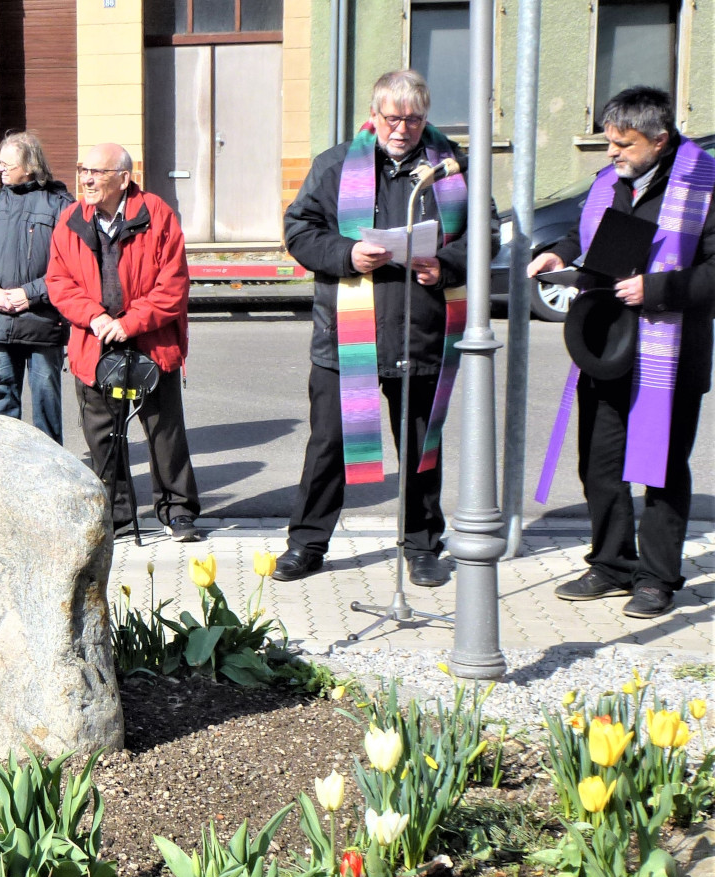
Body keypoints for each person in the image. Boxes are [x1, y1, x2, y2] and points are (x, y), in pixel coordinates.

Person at [276, 69, 496, 584]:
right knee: (328, 444)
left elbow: (486, 234)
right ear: (373, 117)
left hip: (420, 331)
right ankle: (306, 543)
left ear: (426, 117)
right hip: (346, 337)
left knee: (421, 446)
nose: (403, 129)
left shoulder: (452, 169)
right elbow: (299, 230)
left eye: (414, 119)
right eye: (393, 118)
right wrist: (348, 253)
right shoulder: (335, 166)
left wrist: (446, 266)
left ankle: (421, 545)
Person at [528, 86, 715, 619]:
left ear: (659, 140)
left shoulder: (705, 184)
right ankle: (612, 564)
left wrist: (656, 291)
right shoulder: (611, 180)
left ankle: (657, 579)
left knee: (660, 468)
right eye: (608, 141)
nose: (611, 153)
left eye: (623, 144)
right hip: (606, 343)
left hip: (671, 352)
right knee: (601, 464)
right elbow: (580, 232)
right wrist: (555, 253)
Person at [46, 143, 201, 541]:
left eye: (96, 172)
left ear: (123, 178)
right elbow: (59, 282)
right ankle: (116, 513)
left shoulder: (158, 215)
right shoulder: (70, 219)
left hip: (150, 341)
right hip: (93, 341)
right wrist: (95, 317)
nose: (86, 179)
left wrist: (130, 323)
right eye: (84, 170)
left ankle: (177, 510)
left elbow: (173, 285)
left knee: (163, 430)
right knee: (101, 433)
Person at [0, 132, 74, 442]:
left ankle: (50, 468)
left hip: (41, 319)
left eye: (5, 164)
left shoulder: (61, 204)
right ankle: (5, 466)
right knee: (3, 397)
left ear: (28, 164)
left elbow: (70, 265)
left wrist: (31, 294)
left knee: (46, 399)